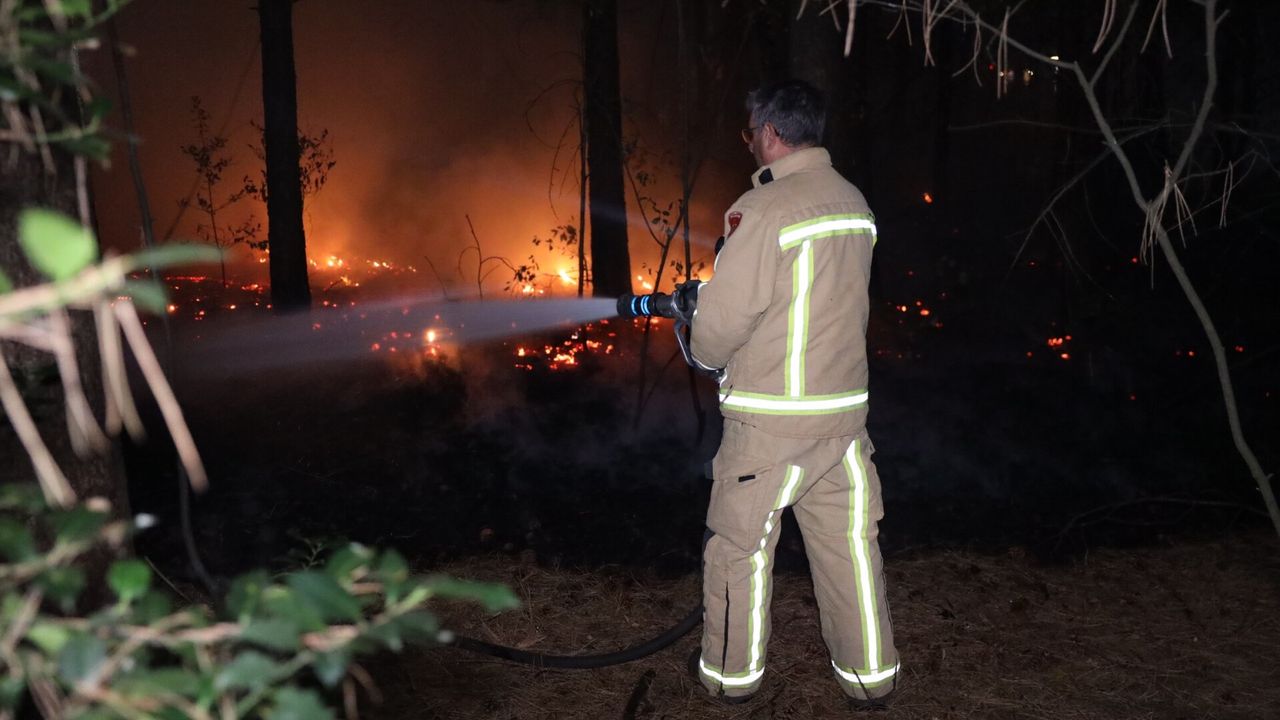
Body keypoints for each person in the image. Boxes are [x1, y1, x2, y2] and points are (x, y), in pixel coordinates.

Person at [687, 79, 899, 709]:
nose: (749, 142)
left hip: (773, 422)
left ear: (771, 133)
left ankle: (730, 681)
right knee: (849, 548)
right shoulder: (852, 201)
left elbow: (725, 322)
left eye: (750, 131)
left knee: (737, 550)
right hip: (844, 416)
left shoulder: (765, 210)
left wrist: (699, 344)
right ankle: (871, 679)